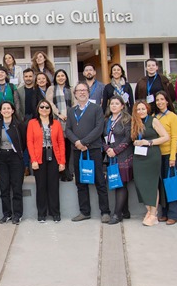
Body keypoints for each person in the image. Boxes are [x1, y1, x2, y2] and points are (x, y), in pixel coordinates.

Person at [65, 82, 110, 222]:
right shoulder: (71, 111)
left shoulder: (96, 109)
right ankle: (84, 212)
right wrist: (77, 143)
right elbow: (68, 130)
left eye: (84, 90)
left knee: (100, 181)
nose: (82, 93)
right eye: (79, 91)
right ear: (75, 94)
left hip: (93, 149)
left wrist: (84, 142)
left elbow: (99, 128)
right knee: (80, 182)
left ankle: (105, 212)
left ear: (88, 92)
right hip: (78, 151)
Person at [131, 100, 169, 226]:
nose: (141, 111)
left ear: (147, 109)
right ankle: (149, 210)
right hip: (139, 156)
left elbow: (165, 137)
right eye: (138, 109)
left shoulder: (153, 120)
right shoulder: (135, 122)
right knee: (140, 183)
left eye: (143, 109)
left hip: (152, 155)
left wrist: (149, 142)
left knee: (152, 184)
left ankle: (153, 214)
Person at [27, 99, 66, 222]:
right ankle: (42, 213)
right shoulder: (32, 123)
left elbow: (61, 143)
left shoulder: (56, 123)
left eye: (47, 107)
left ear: (50, 110)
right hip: (39, 156)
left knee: (53, 185)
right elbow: (30, 142)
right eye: (42, 107)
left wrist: (62, 162)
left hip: (54, 155)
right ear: (38, 109)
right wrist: (33, 160)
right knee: (41, 185)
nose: (44, 109)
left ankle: (55, 213)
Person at [0, 102, 26, 224]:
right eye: (4, 109)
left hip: (15, 158)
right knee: (4, 187)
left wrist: (19, 153)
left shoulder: (19, 125)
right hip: (1, 157)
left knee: (17, 187)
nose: (6, 110)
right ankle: (6, 214)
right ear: (1, 111)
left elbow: (23, 142)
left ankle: (17, 214)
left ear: (13, 111)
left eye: (9, 108)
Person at [103, 96, 133, 224]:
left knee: (121, 184)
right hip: (110, 156)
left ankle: (117, 214)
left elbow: (128, 138)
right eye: (112, 103)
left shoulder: (126, 119)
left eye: (117, 103)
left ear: (122, 106)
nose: (114, 106)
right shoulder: (106, 120)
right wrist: (107, 149)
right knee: (116, 183)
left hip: (123, 155)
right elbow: (102, 137)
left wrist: (116, 150)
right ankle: (124, 211)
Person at [154, 91, 177, 225]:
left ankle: (173, 214)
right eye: (157, 100)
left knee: (170, 184)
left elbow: (175, 137)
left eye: (162, 99)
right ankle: (163, 212)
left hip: (170, 154)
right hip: (157, 155)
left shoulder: (173, 117)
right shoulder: (154, 117)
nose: (159, 102)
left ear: (167, 101)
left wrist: (172, 157)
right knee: (161, 186)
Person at [46, 69, 73, 181]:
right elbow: (49, 103)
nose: (61, 78)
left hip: (69, 122)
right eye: (58, 76)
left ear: (66, 77)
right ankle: (60, 171)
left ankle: (66, 170)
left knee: (67, 147)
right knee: (58, 147)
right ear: (55, 78)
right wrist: (59, 114)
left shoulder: (70, 89)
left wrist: (70, 115)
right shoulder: (51, 89)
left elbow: (74, 104)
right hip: (57, 121)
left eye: (63, 75)